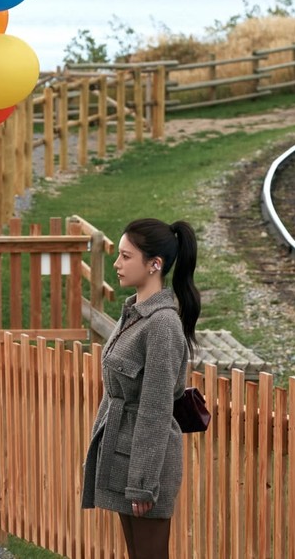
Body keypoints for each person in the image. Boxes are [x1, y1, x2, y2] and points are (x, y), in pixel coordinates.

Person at [82, 218, 201, 559]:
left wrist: (143, 483)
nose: (117, 264)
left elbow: (155, 409)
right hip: (123, 456)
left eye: (125, 256)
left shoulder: (162, 325)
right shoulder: (134, 313)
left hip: (146, 469)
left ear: (154, 264)